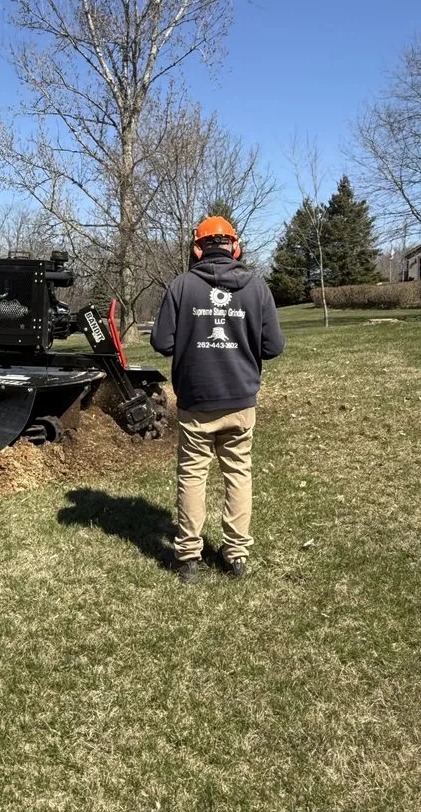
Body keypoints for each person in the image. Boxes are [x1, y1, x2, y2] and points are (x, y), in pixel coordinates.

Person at [150, 216, 285, 583]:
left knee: (193, 474)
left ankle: (188, 557)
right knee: (238, 472)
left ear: (198, 248)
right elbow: (274, 346)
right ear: (234, 246)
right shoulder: (256, 287)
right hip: (240, 398)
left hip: (196, 398)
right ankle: (236, 554)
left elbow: (161, 342)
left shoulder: (181, 286)